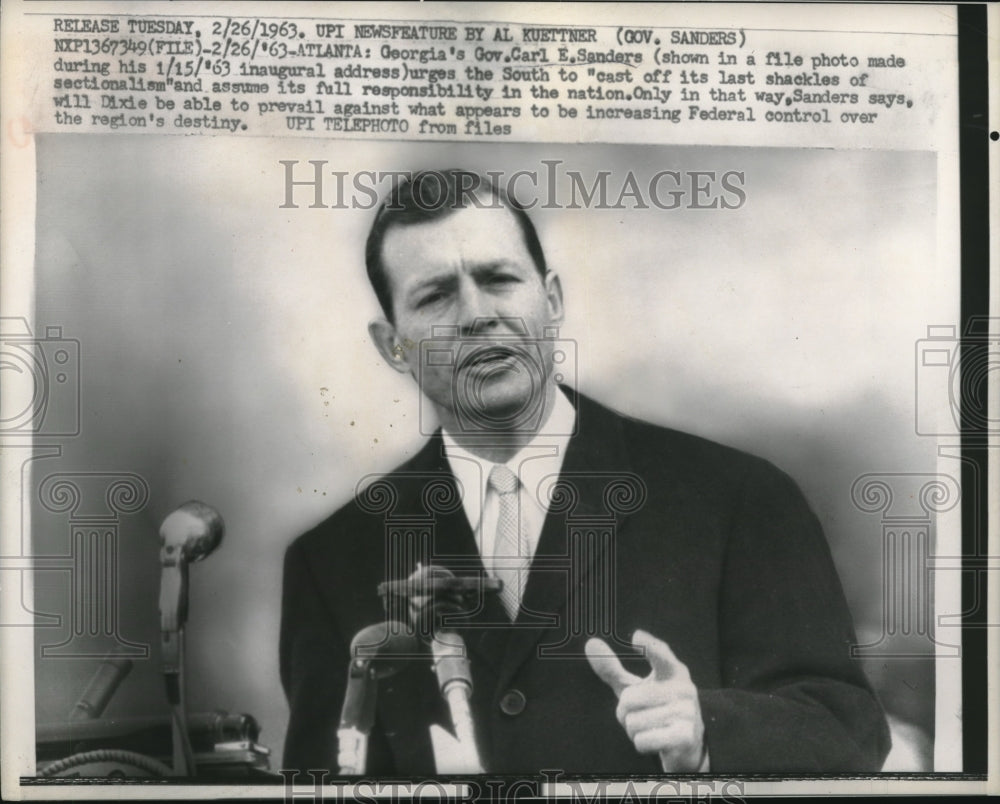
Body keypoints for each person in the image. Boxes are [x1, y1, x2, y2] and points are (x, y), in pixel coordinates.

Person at [280, 169, 891, 775]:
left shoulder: (738, 499)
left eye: (498, 279)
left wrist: (709, 731)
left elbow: (847, 730)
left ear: (551, 300)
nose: (476, 315)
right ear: (392, 344)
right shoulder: (332, 561)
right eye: (435, 295)